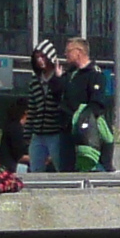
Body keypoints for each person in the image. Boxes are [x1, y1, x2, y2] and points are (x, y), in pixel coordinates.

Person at [57, 37, 115, 171]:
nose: (65, 55)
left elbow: (98, 103)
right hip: (67, 130)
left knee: (89, 167)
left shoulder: (94, 73)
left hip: (85, 131)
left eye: (68, 51)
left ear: (79, 52)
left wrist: (83, 117)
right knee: (67, 169)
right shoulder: (70, 74)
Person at [19, 41, 73, 173]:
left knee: (61, 167)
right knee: (35, 168)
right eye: (37, 57)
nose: (40, 60)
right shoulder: (35, 81)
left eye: (43, 56)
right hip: (38, 133)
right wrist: (27, 133)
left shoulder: (62, 77)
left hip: (55, 132)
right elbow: (32, 108)